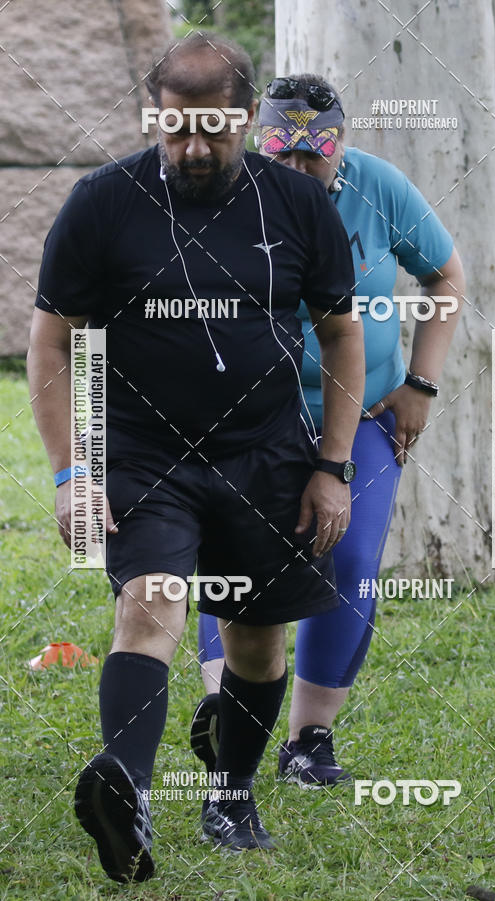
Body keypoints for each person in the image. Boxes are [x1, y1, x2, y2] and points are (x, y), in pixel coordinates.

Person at [27, 38, 364, 880]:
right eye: (175, 130)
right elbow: (49, 344)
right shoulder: (102, 204)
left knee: (255, 643)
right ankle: (130, 795)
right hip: (143, 455)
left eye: (213, 130)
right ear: (156, 117)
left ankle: (231, 791)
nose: (194, 149)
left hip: (267, 455)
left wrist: (334, 464)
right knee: (150, 604)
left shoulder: (296, 204)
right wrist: (74, 472)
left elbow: (340, 332)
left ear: (249, 119)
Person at [193, 74, 465, 788]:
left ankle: (309, 738)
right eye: (281, 150)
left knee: (346, 562)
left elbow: (445, 277)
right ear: (257, 142)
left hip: (366, 411)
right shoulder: (223, 193)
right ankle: (229, 713)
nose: (298, 168)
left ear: (341, 144)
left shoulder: (380, 188)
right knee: (236, 558)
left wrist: (421, 384)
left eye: (316, 151)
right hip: (250, 417)